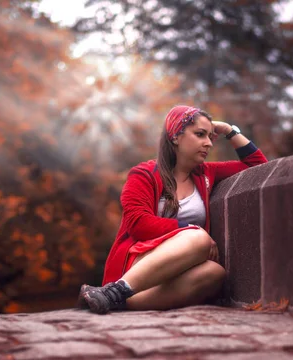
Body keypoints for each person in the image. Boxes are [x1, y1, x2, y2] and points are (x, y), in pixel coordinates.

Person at [77, 105, 268, 314]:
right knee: (197, 237)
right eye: (200, 134)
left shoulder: (206, 174)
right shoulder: (144, 174)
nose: (208, 143)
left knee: (215, 273)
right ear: (176, 136)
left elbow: (258, 167)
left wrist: (228, 130)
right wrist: (190, 229)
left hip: (179, 267)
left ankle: (115, 299)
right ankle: (117, 288)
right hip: (138, 262)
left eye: (210, 137)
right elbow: (138, 223)